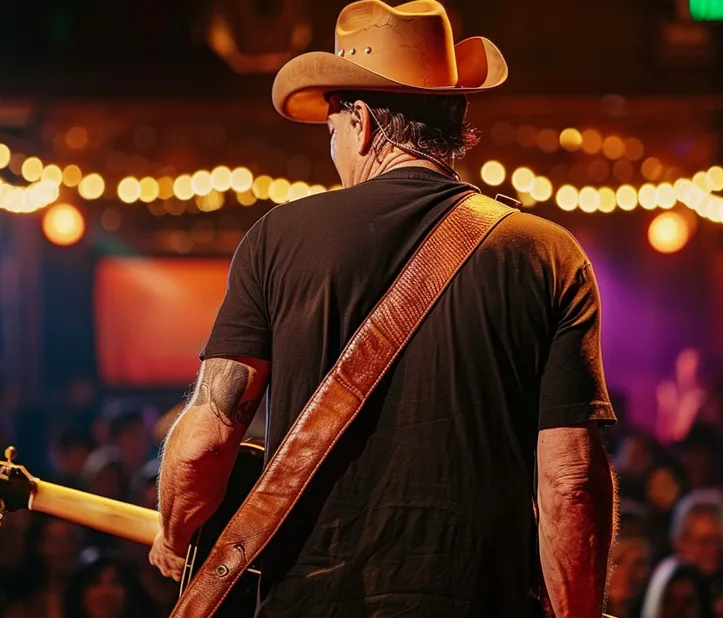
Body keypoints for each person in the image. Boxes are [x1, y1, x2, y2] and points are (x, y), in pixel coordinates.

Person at [149, 1, 617, 616]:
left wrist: (174, 533)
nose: (334, 145)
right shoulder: (546, 254)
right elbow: (571, 482)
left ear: (362, 122)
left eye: (333, 128)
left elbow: (207, 440)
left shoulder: (278, 238)